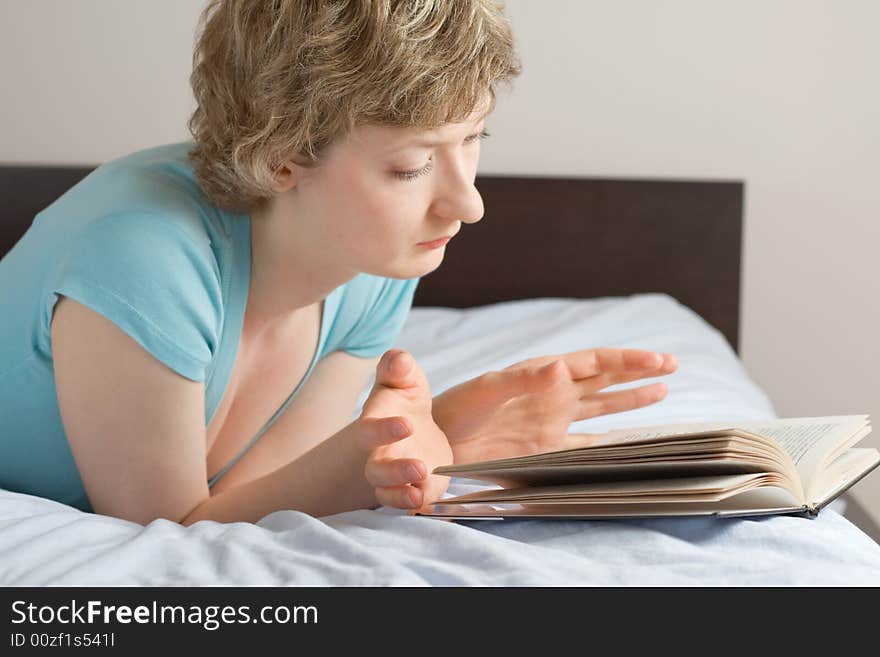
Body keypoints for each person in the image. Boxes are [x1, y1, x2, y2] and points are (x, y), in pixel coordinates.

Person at [0, 0, 677, 527]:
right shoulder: (145, 259)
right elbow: (171, 535)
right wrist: (368, 456)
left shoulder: (376, 267)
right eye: (411, 167)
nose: (468, 204)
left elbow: (240, 499)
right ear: (280, 157)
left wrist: (431, 436)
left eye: (474, 138)